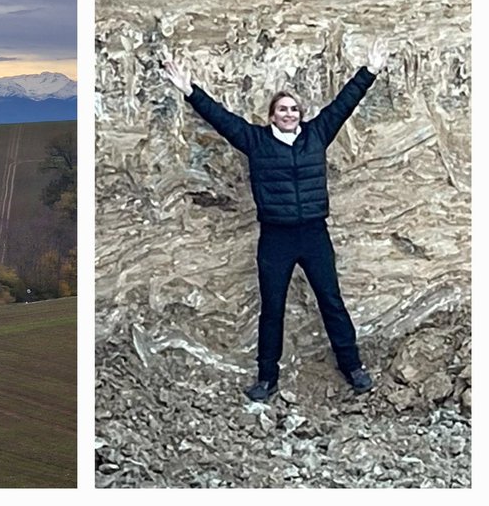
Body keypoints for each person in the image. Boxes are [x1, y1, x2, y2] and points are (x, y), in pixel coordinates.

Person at [161, 39, 389, 402]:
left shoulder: (317, 134)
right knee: (272, 308)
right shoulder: (256, 141)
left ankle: (353, 366)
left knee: (331, 300)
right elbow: (221, 119)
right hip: (276, 238)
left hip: (314, 233)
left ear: (301, 113)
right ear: (271, 116)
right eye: (282, 109)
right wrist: (190, 90)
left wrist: (370, 71)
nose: (289, 113)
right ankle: (266, 377)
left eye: (294, 108)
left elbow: (345, 103)